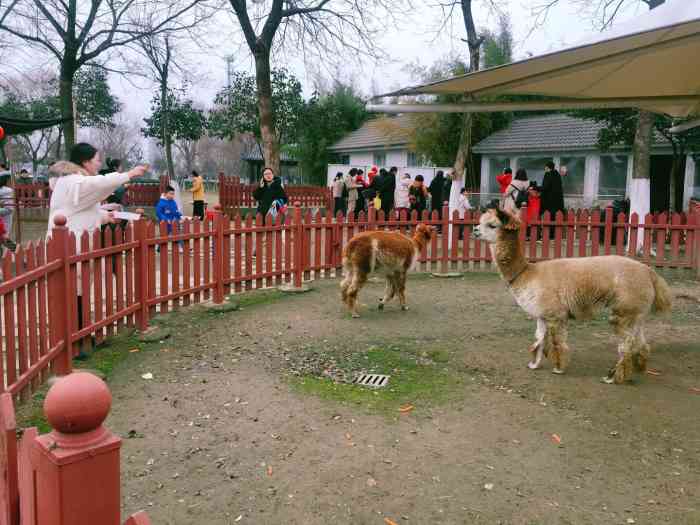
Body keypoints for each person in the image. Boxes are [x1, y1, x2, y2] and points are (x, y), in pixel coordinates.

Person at [47, 143, 146, 355]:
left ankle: (81, 335)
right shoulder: (74, 181)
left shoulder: (73, 182)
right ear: (85, 162)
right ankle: (75, 342)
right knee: (73, 294)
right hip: (70, 246)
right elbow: (99, 184)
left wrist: (104, 215)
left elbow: (81, 210)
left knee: (78, 293)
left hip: (76, 245)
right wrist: (128, 174)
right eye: (97, 159)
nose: (99, 163)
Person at [0, 172, 15, 244]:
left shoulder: (7, 190)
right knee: (4, 236)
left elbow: (9, 208)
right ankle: (15, 250)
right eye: (9, 180)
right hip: (4, 216)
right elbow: (9, 209)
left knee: (4, 236)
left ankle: (15, 250)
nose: (10, 182)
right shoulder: (7, 191)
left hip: (5, 216)